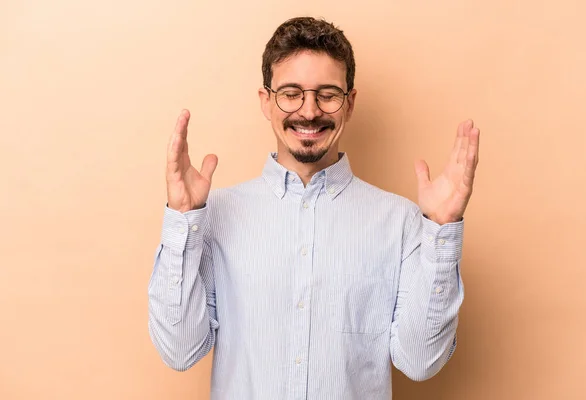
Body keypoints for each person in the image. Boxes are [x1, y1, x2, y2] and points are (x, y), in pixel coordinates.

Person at [148, 16, 480, 400]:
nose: (308, 111)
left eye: (327, 94)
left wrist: (442, 227)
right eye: (291, 93)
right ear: (265, 101)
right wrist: (183, 221)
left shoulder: (401, 222)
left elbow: (421, 362)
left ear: (349, 103)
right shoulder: (214, 215)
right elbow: (179, 351)